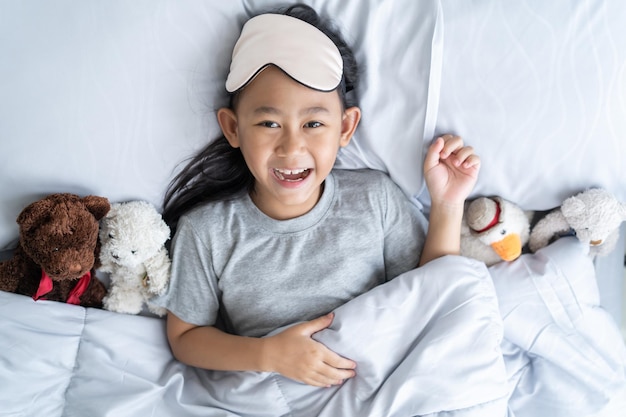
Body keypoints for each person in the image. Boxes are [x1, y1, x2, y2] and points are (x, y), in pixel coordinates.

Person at [154, 3, 480, 393]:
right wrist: (268, 355)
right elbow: (186, 337)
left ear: (345, 127)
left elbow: (435, 293)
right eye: (269, 123)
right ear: (232, 127)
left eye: (313, 123)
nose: (292, 148)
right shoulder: (207, 230)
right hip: (280, 392)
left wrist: (446, 204)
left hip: (385, 382)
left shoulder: (374, 199)